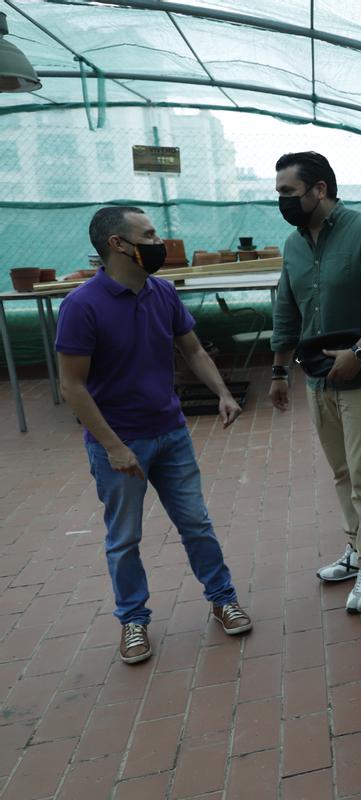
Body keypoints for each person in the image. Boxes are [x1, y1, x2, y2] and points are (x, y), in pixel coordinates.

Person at [56, 206, 252, 666]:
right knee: (124, 538)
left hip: (171, 433)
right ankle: (132, 621)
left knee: (196, 524)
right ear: (117, 245)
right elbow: (72, 386)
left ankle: (222, 598)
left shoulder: (162, 292)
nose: (157, 241)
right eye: (147, 234)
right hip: (120, 445)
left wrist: (222, 392)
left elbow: (193, 349)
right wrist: (113, 446)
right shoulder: (82, 306)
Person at [269, 151, 361, 614]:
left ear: (320, 189)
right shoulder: (293, 245)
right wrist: (277, 370)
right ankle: (357, 549)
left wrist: (359, 353)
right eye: (279, 194)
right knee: (342, 471)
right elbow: (286, 309)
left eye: (288, 193)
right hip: (318, 378)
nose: (282, 202)